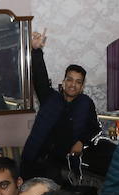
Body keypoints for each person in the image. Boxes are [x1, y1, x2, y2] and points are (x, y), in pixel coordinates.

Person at [21, 30, 99, 179]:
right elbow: (39, 76)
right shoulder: (49, 97)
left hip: (61, 166)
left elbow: (94, 128)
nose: (73, 85)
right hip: (34, 159)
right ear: (63, 82)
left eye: (78, 82)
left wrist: (81, 142)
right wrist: (36, 50)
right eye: (69, 80)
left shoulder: (86, 104)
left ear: (82, 86)